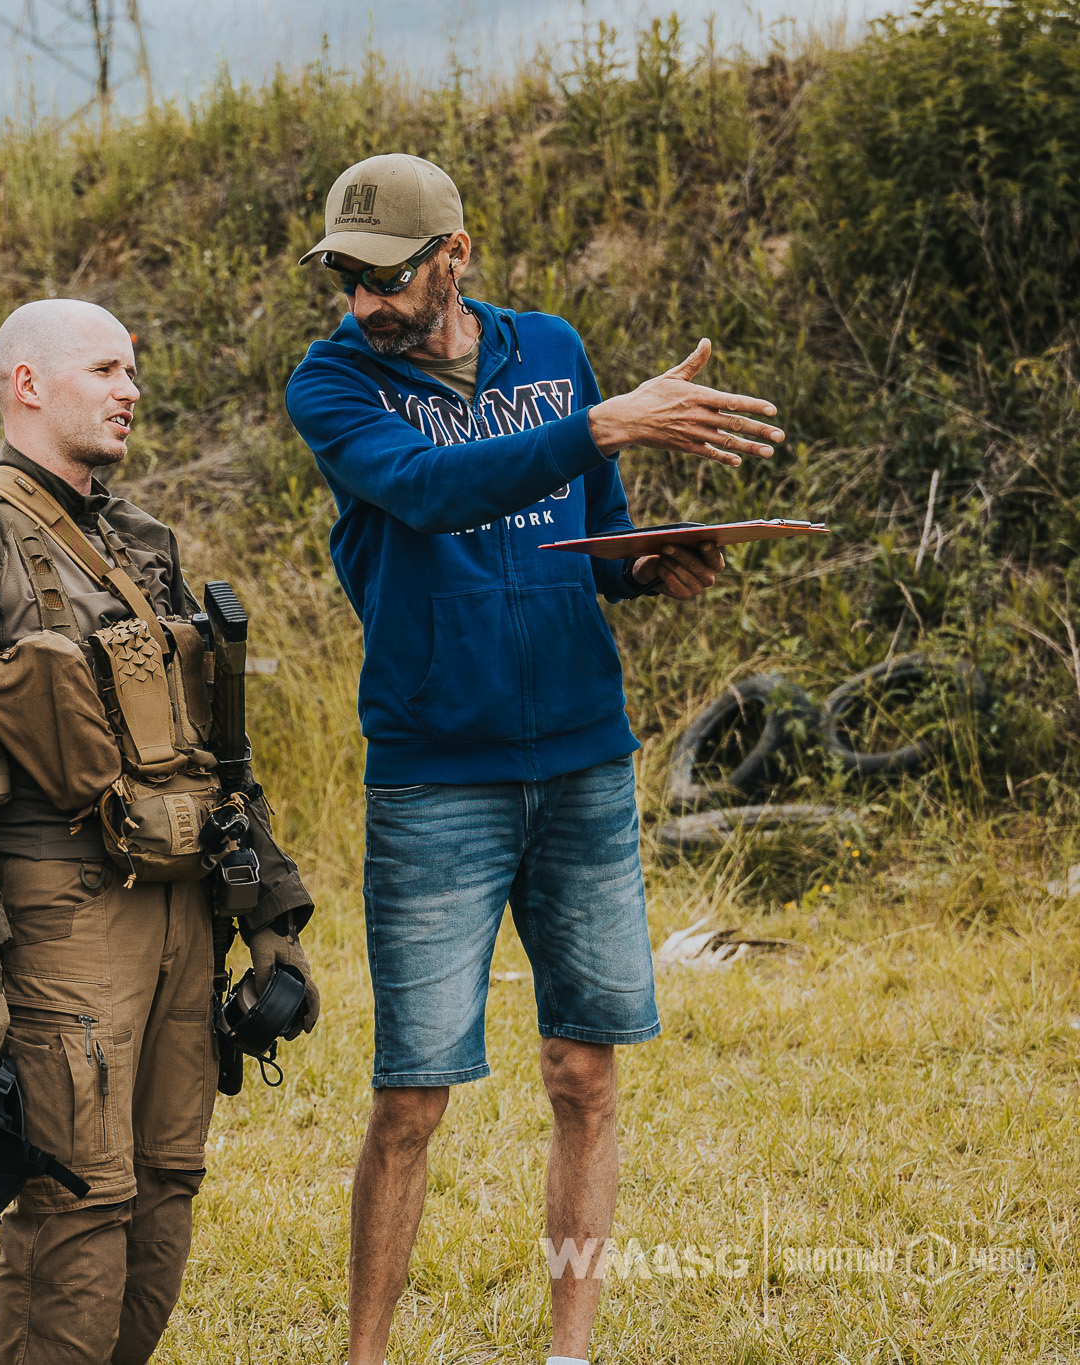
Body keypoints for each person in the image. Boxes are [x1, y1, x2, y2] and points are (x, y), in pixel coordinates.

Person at [283, 154, 784, 1365]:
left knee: (581, 1074)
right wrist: (604, 421)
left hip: (578, 762)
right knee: (410, 1095)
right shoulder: (331, 383)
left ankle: (568, 1354)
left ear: (453, 255)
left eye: (386, 277)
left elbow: (589, 527)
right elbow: (428, 490)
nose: (363, 302)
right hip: (433, 773)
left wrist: (645, 564)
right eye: (346, 279)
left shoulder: (550, 349)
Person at [0, 298, 319, 1365]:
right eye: (106, 369)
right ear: (27, 384)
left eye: (132, 369)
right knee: (78, 1198)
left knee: (165, 1186)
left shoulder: (138, 541)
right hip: (62, 916)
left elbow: (213, 752)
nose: (131, 390)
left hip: (180, 912)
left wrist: (271, 918)